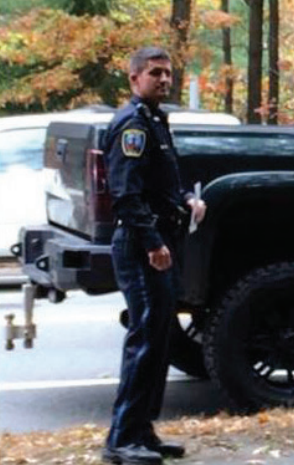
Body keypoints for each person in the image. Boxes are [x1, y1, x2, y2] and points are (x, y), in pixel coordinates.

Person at [102, 47, 206, 465]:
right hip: (142, 247)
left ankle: (142, 432)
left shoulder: (156, 121)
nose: (164, 80)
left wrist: (186, 201)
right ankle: (121, 439)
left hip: (161, 240)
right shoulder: (132, 125)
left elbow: (160, 183)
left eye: (167, 73)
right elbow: (126, 195)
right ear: (134, 78)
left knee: (160, 341)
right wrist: (153, 244)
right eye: (155, 73)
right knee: (144, 341)